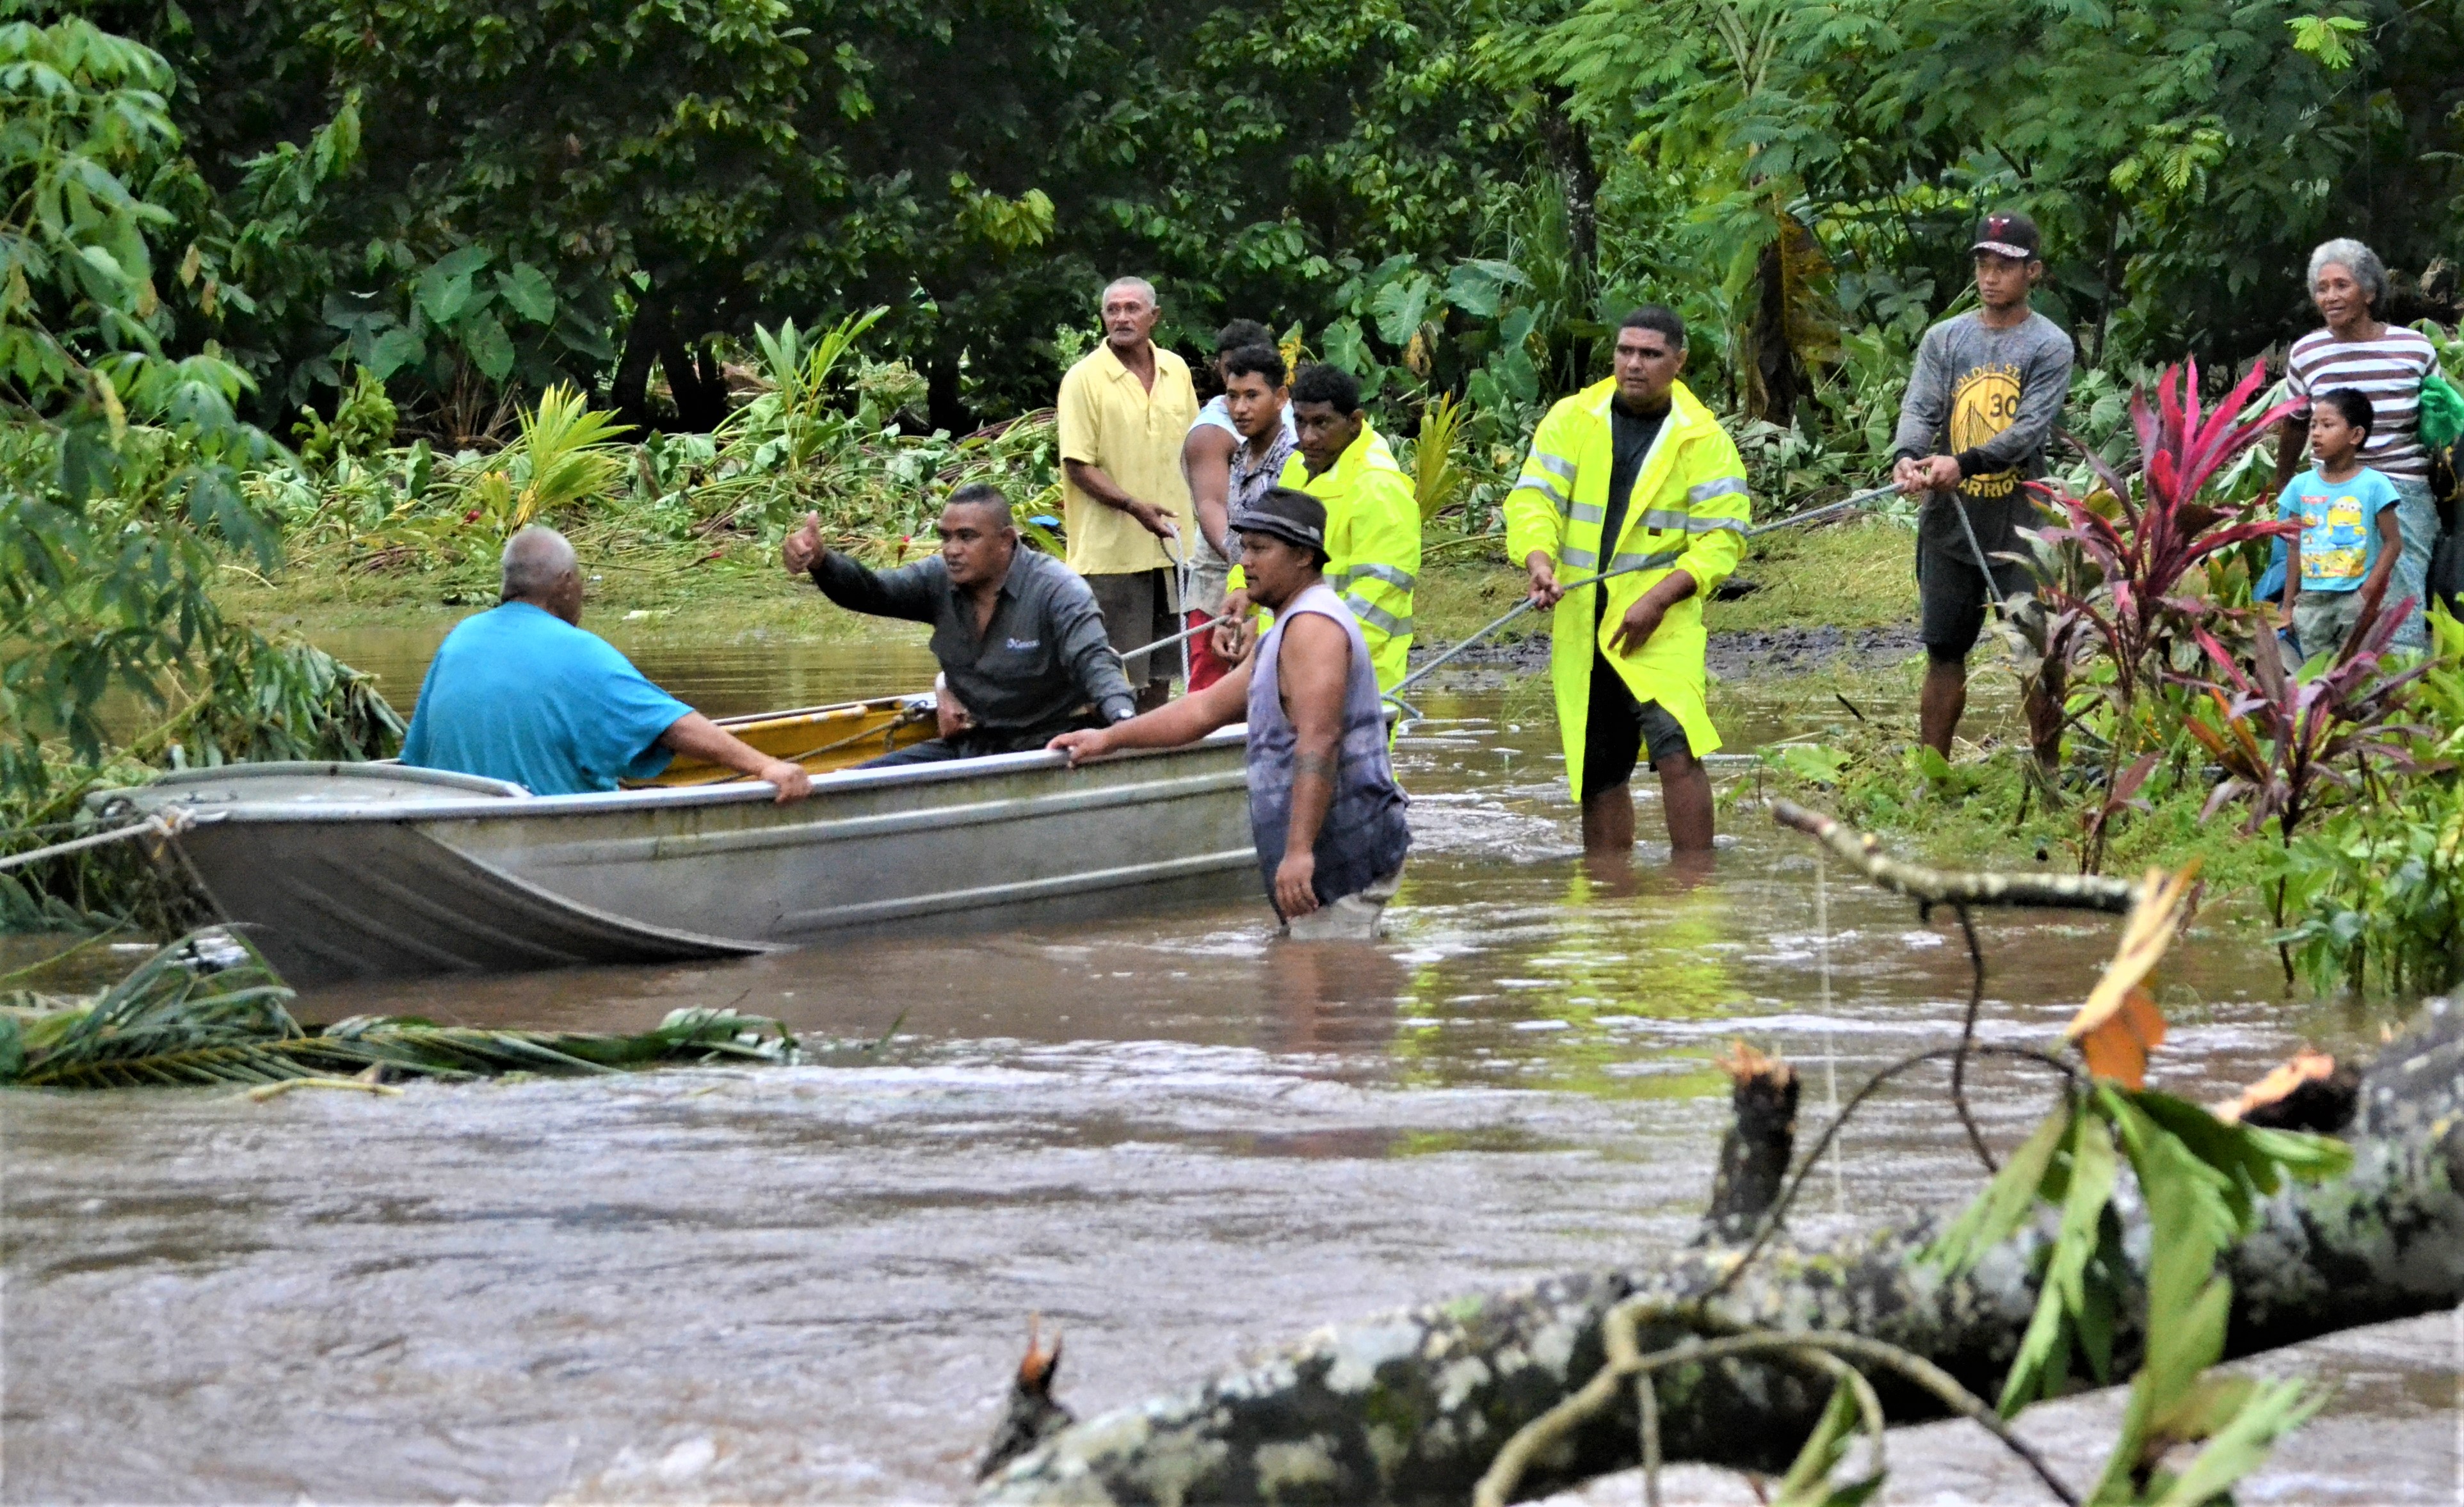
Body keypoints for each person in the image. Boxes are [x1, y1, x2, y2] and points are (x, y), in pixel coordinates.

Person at [1049, 488, 1410, 939]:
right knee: (1314, 984)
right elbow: (1203, 709)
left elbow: (1319, 739)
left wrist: (1298, 851)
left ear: (1303, 556)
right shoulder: (1282, 629)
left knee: (1321, 994)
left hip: (1343, 848)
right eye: (1244, 548)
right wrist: (1108, 738)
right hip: (1326, 849)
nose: (1246, 562)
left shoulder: (1313, 627)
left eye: (1260, 549)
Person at [1506, 306, 1750, 857]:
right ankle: (1607, 898)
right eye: (1624, 351)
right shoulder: (1572, 419)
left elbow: (1722, 539)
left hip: (1659, 625)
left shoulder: (1703, 439)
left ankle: (1693, 886)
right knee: (1598, 769)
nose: (1633, 364)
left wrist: (1660, 600)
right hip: (1582, 618)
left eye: (1650, 354)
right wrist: (1538, 561)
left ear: (1678, 361)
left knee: (1676, 749)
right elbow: (1533, 497)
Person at [402, 527, 812, 800]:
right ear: (564, 584)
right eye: (580, 580)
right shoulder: (579, 652)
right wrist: (766, 765)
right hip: (542, 832)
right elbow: (673, 725)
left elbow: (415, 760)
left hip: (459, 825)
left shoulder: (458, 641)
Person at [1890, 211, 2075, 757]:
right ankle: (1932, 771)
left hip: (2018, 529)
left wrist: (1960, 464)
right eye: (1983, 266)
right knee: (1944, 650)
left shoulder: (2049, 345)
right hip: (1948, 526)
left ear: (2033, 273)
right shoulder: (1944, 339)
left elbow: (2026, 432)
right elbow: (1920, 407)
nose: (1990, 277)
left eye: (2005, 267)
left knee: (2031, 651)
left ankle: (2047, 773)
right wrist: (1907, 458)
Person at [782, 484, 1138, 764]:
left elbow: (1097, 665)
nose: (951, 549)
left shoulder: (1058, 590)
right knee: (853, 786)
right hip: (976, 746)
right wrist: (822, 562)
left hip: (1052, 745)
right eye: (946, 537)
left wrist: (1124, 730)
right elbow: (872, 592)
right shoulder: (937, 580)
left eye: (967, 537)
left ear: (1006, 541)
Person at [2271, 238, 2443, 651]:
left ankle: (2398, 685)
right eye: (2322, 287)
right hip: (2328, 488)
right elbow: (2295, 427)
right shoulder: (2307, 353)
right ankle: (2330, 693)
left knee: (2396, 587)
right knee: (2325, 590)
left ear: (2368, 292)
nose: (2329, 297)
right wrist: (2282, 493)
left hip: (2398, 486)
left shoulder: (2413, 349)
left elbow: (2437, 425)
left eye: (2341, 285)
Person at [1058, 276, 1201, 711]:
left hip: (1174, 550)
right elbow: (1077, 465)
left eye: (1132, 308)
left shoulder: (1176, 369)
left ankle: (1149, 755)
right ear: (1102, 317)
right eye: (1113, 309)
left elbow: (1198, 447)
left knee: (1161, 673)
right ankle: (1105, 755)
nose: (1122, 317)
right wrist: (1132, 506)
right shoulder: (1083, 379)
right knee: (1109, 675)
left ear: (1153, 317)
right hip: (1111, 558)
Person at [1271, 363, 1420, 693]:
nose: (1308, 437)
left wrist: (1316, 650)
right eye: (1300, 422)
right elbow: (1269, 553)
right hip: (1290, 662)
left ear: (1355, 422)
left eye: (1322, 423)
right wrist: (1241, 592)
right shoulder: (1296, 468)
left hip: (1359, 674)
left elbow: (1380, 595)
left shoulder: (1379, 486)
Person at [1182, 326, 1297, 690]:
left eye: (1252, 396)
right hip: (1224, 581)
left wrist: (1257, 601)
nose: (1241, 408)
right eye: (1233, 396)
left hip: (1276, 591)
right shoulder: (1223, 440)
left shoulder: (1297, 454)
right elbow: (1212, 508)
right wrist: (1241, 583)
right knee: (1210, 691)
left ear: (1280, 397)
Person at [2280, 388, 2406, 656]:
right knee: (2317, 682)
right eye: (2313, 425)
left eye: (2327, 425)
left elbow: (2393, 543)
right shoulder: (2300, 486)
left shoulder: (2375, 485)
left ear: (2356, 435)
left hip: (2355, 599)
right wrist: (2289, 606)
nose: (2315, 433)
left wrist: (2366, 593)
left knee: (2357, 678)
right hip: (2311, 603)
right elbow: (2294, 547)